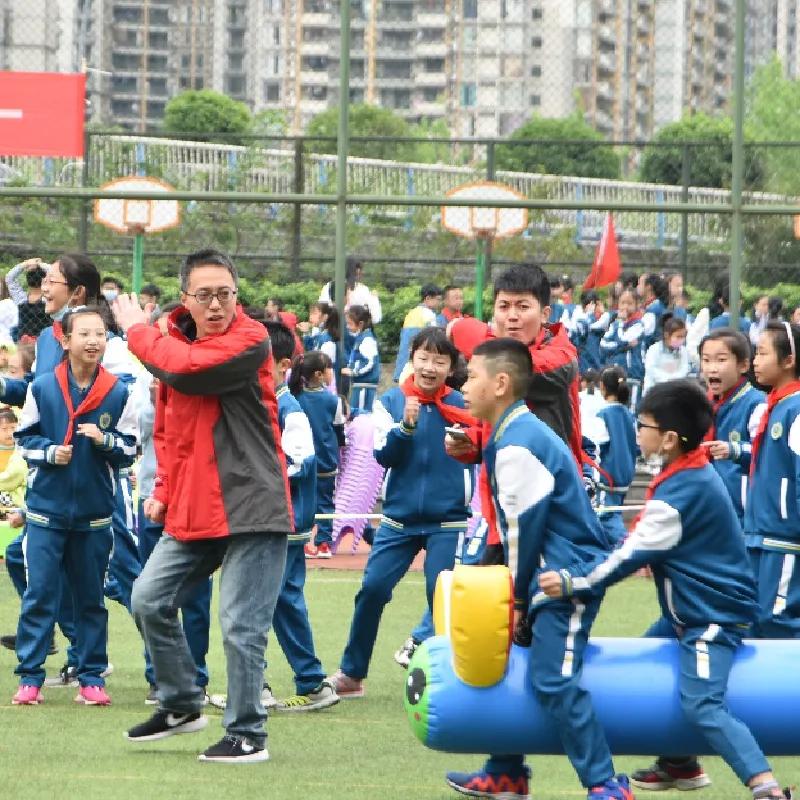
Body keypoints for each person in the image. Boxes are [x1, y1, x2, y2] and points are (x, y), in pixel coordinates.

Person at [540, 379, 792, 800]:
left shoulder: (681, 494)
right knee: (648, 672)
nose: (637, 432)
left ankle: (764, 787)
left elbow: (628, 556)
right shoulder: (687, 471)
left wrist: (571, 581)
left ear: (670, 439)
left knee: (703, 704)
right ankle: (679, 762)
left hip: (712, 616)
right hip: (688, 612)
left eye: (643, 425)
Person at [115, 248, 292, 763]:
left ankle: (246, 734)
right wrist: (164, 492)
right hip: (193, 505)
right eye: (205, 295)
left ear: (238, 296)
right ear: (186, 299)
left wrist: (137, 331)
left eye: (225, 294)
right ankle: (180, 704)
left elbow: (187, 370)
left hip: (252, 503)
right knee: (147, 597)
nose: (216, 305)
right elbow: (171, 433)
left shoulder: (249, 339)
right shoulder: (171, 348)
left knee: (241, 625)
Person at [445, 338, 631, 800]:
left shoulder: (516, 444)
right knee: (509, 664)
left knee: (552, 678)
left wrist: (518, 601)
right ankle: (505, 770)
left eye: (471, 377)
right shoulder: (512, 432)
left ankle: (606, 783)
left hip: (563, 578)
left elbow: (522, 535)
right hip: (552, 571)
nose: (462, 385)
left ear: (501, 384)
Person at [0, 254, 141, 681]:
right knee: (22, 558)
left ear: (76, 292)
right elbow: (37, 392)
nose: (42, 285)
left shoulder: (106, 344)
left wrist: (105, 441)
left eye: (52, 279)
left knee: (126, 577)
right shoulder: (48, 339)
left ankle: (167, 668)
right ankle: (79, 650)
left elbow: (126, 397)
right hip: (55, 485)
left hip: (97, 480)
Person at [328, 328, 475, 699]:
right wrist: (405, 427)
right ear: (412, 358)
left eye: (440, 361)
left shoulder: (464, 405)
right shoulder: (390, 401)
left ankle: (444, 674)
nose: (430, 367)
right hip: (398, 519)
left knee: (441, 596)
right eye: (424, 358)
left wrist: (467, 443)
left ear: (450, 366)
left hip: (448, 519)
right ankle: (351, 674)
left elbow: (480, 451)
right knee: (372, 589)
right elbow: (383, 455)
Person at [134, 305, 212, 706]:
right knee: (147, 597)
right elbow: (148, 440)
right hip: (153, 501)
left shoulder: (202, 380)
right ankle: (160, 679)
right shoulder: (146, 389)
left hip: (198, 509)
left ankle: (194, 678)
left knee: (197, 601)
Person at [266, 322, 339, 711]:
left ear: (282, 366)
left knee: (273, 597)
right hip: (269, 518)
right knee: (273, 598)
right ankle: (306, 681)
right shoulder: (268, 403)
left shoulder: (287, 408)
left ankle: (307, 681)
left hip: (285, 521)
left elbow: (299, 463)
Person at [745, 320, 800, 639]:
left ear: (789, 360)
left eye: (763, 353)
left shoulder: (794, 409)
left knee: (777, 620)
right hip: (762, 536)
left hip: (785, 539)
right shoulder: (775, 406)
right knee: (756, 621)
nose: (755, 361)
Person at [700, 329, 766, 525]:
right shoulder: (704, 405)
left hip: (742, 513)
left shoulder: (756, 404)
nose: (712, 368)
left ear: (744, 365)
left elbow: (767, 454)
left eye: (721, 360)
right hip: (710, 507)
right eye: (706, 360)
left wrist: (734, 450)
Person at [290, 350, 345, 559]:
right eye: (329, 369)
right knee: (326, 502)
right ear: (319, 375)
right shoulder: (333, 400)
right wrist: (341, 446)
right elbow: (339, 428)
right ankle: (323, 543)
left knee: (304, 501)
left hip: (304, 460)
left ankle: (303, 540)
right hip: (327, 459)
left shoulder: (296, 398)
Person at [587, 367, 638, 544]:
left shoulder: (603, 415)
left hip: (608, 476)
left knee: (607, 517)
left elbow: (596, 446)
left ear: (602, 386)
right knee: (612, 514)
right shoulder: (629, 415)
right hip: (626, 474)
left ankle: (630, 548)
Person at [600, 288, 644, 408]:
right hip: (614, 374)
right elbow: (603, 345)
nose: (625, 307)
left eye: (629, 303)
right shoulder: (614, 324)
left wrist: (618, 342)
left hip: (631, 375)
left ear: (637, 305)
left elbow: (623, 340)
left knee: (630, 410)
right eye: (622, 303)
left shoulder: (638, 325)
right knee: (613, 407)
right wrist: (622, 345)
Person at [392, 283, 443, 382]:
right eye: (438, 300)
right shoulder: (429, 315)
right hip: (418, 364)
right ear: (428, 298)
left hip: (404, 365)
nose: (439, 303)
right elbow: (435, 338)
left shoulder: (411, 313)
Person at [319, 256, 382, 324]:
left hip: (340, 329)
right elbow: (376, 318)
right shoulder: (362, 290)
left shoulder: (362, 290)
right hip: (344, 329)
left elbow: (375, 318)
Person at [642, 315, 695, 395]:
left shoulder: (683, 351)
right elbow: (652, 370)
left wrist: (673, 380)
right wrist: (669, 380)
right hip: (654, 393)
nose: (681, 340)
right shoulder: (654, 350)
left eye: (683, 337)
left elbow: (685, 368)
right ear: (667, 335)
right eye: (678, 336)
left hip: (674, 393)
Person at [342, 305, 380, 413]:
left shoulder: (367, 339)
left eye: (349, 323)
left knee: (362, 415)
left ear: (361, 324)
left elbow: (369, 362)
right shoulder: (360, 338)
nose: (348, 327)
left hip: (365, 387)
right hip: (359, 385)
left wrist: (353, 371)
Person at [571, 291, 611, 374]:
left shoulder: (602, 320)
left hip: (596, 364)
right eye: (586, 304)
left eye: (593, 303)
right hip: (582, 364)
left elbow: (605, 320)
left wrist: (600, 312)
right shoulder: (578, 319)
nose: (590, 306)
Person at [639, 273, 669, 350]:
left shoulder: (653, 310)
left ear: (648, 287)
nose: (637, 287)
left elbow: (645, 334)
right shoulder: (657, 305)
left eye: (639, 284)